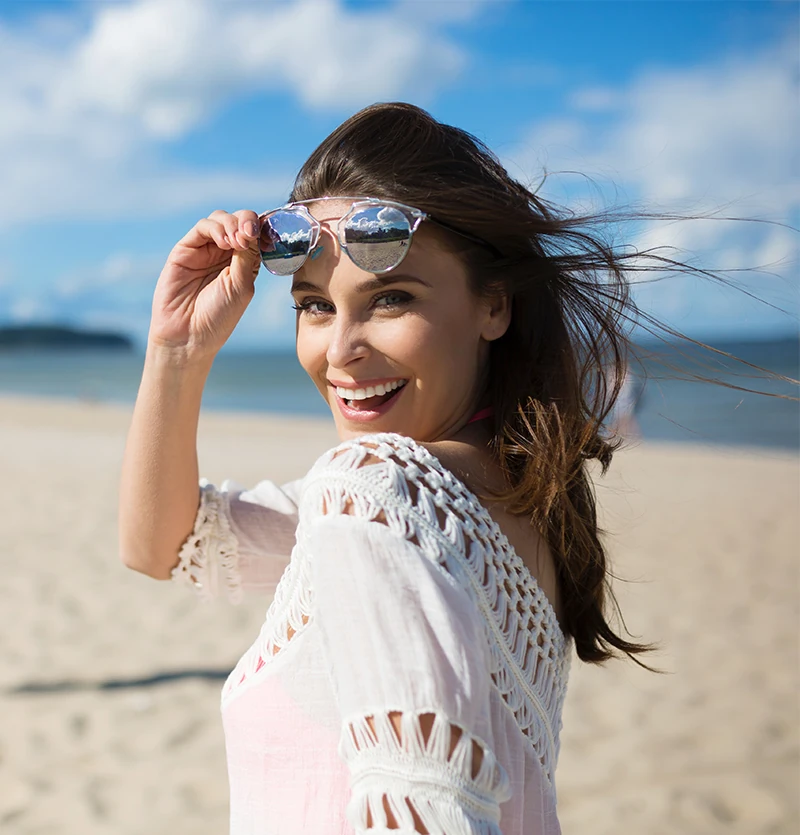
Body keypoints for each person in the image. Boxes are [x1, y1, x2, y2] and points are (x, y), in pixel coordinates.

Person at [118, 102, 654, 835]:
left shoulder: (373, 489)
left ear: (493, 304)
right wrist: (177, 350)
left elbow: (429, 812)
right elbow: (166, 544)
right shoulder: (507, 490)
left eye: (391, 298)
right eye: (313, 305)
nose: (340, 351)